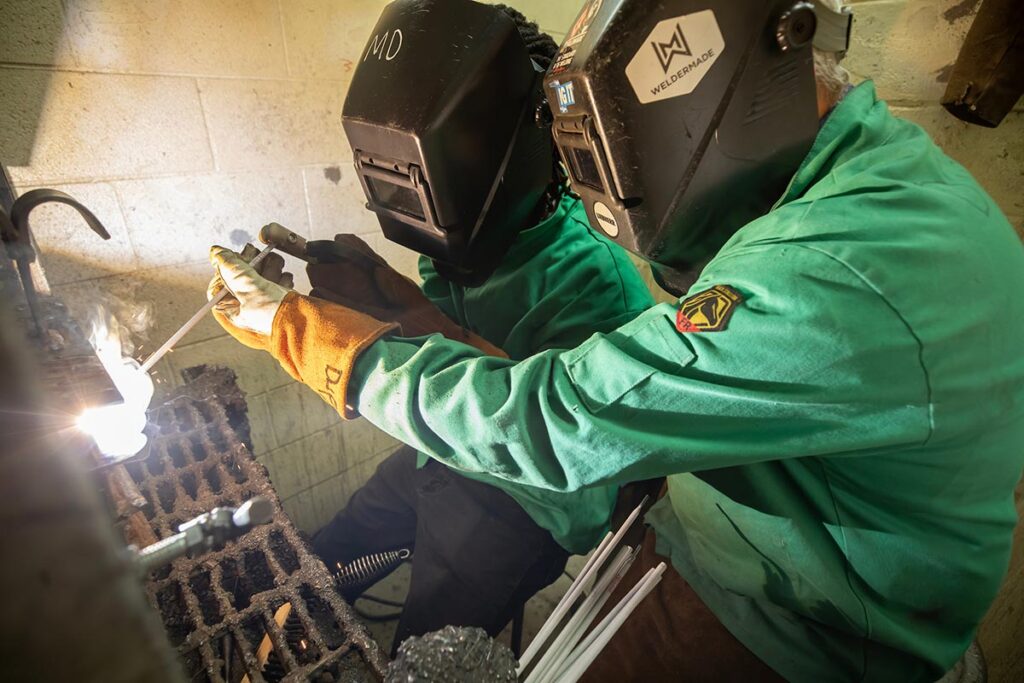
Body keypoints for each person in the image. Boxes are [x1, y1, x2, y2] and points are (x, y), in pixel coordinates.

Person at [207, 0, 1024, 679]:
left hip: (805, 619)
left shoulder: (832, 271)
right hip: (724, 530)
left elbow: (560, 421)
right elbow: (514, 367)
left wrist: (312, 339)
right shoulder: (851, 184)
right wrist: (374, 296)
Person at [210, 2, 654, 654]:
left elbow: (560, 452)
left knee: (417, 659)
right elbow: (457, 338)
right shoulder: (473, 245)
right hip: (439, 447)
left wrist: (306, 330)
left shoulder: (592, 285)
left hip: (528, 502)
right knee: (318, 563)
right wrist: (375, 291)